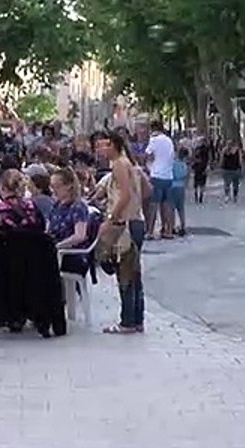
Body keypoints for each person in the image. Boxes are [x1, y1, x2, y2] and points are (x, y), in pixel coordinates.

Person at [95, 130, 145, 334]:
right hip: (135, 220)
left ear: (114, 145)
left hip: (124, 223)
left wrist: (111, 217)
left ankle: (127, 321)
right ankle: (136, 318)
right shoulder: (130, 164)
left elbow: (124, 194)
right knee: (134, 274)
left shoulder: (119, 165)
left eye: (104, 145)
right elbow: (144, 190)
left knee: (125, 273)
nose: (100, 149)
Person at [144, 121, 175, 240]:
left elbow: (147, 155)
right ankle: (167, 230)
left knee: (153, 205)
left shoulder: (154, 140)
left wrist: (147, 164)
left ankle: (150, 231)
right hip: (168, 176)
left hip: (156, 175)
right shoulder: (169, 140)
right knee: (166, 204)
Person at [220, 138, 242, 203]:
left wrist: (221, 166)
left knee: (226, 183)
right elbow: (240, 160)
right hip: (235, 169)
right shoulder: (237, 150)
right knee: (235, 184)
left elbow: (221, 159)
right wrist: (240, 167)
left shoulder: (224, 150)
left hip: (226, 169)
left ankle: (227, 196)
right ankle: (235, 196)